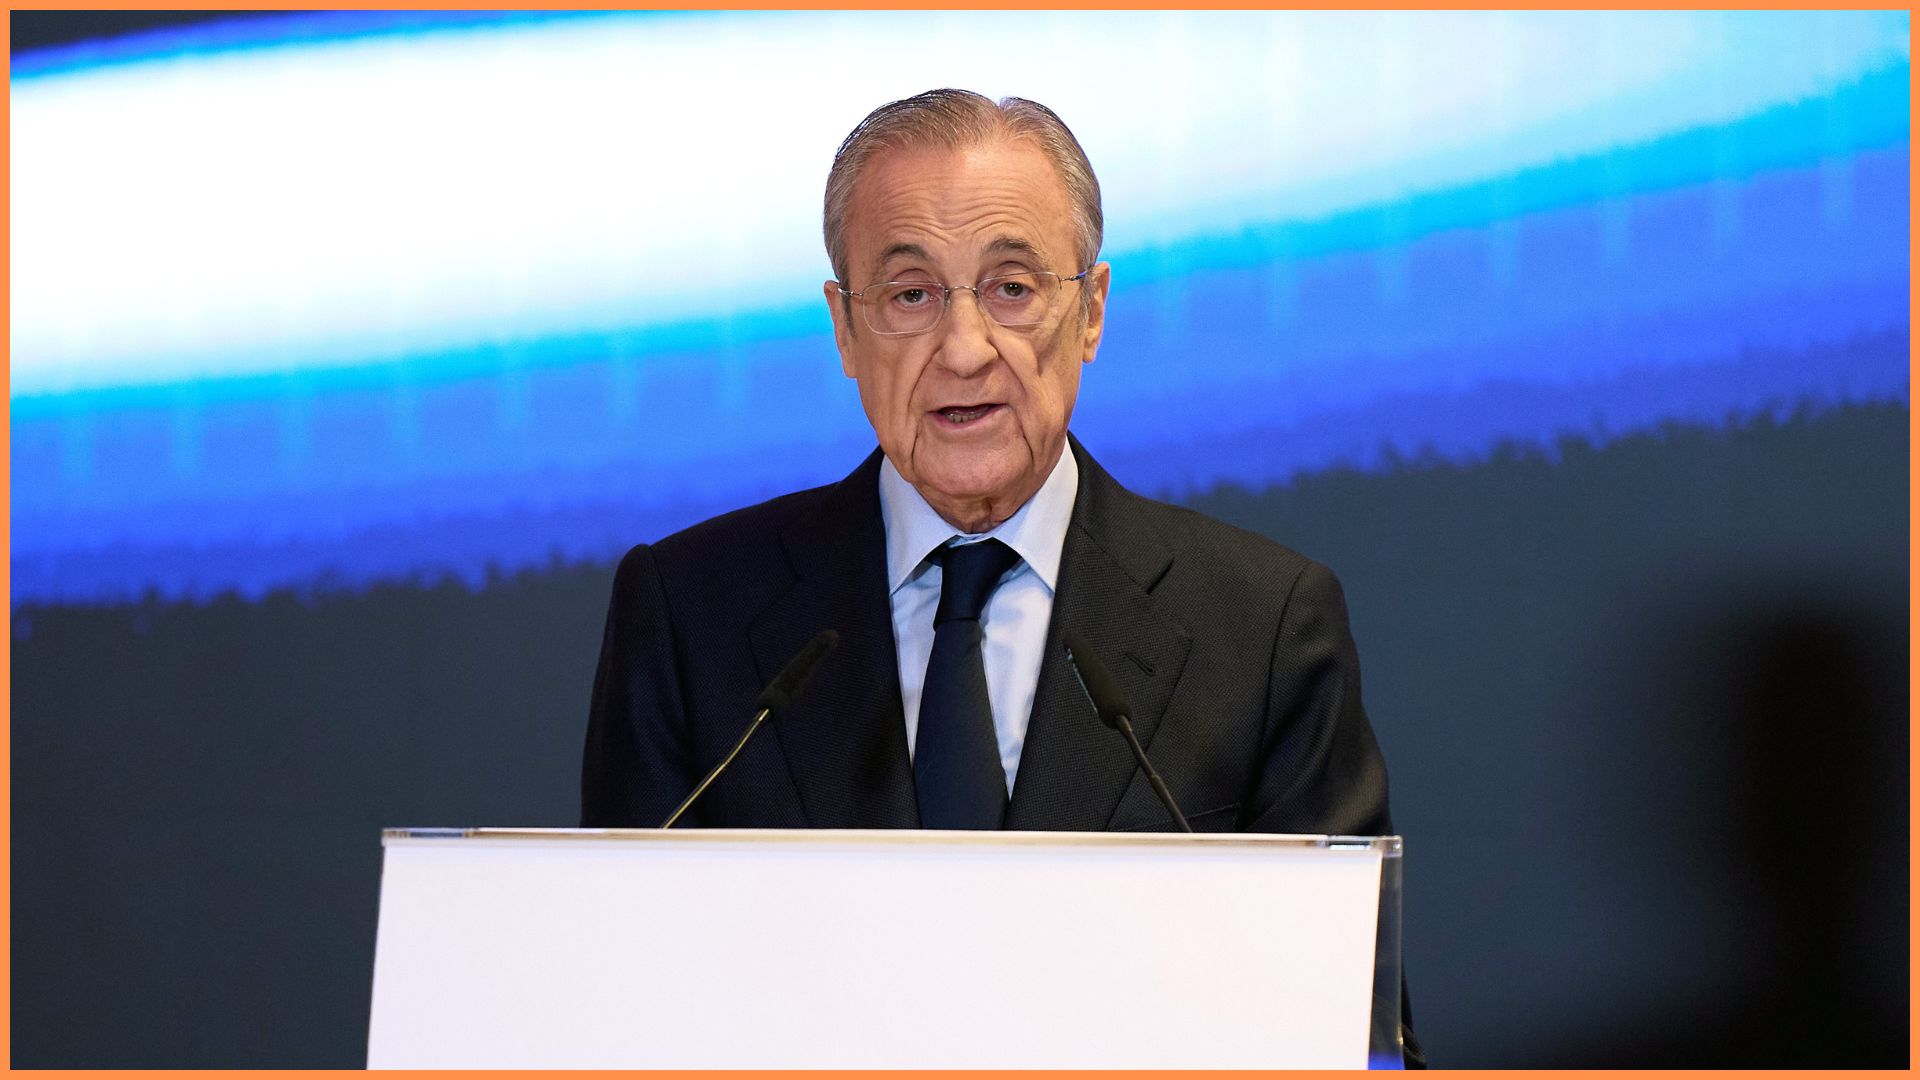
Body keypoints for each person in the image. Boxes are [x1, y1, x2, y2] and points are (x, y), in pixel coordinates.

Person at [583, 88, 1395, 840]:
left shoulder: (1263, 629)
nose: (965, 351)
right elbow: (625, 939)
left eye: (1012, 288)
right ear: (845, 329)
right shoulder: (689, 618)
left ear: (1091, 312)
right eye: (911, 294)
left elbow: (1336, 954)